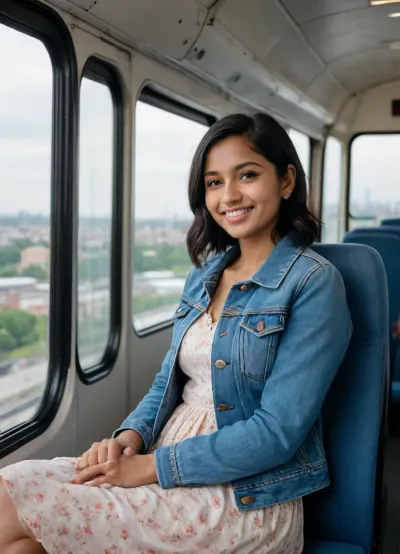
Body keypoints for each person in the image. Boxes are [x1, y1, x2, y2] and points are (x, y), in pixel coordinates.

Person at [0, 113, 352, 554]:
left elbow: (276, 434)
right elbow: (169, 382)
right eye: (214, 182)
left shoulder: (314, 283)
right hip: (158, 462)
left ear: (285, 181)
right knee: (16, 525)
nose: (230, 195)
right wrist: (127, 440)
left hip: (244, 498)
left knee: (7, 505)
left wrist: (148, 469)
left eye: (247, 175)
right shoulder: (205, 275)